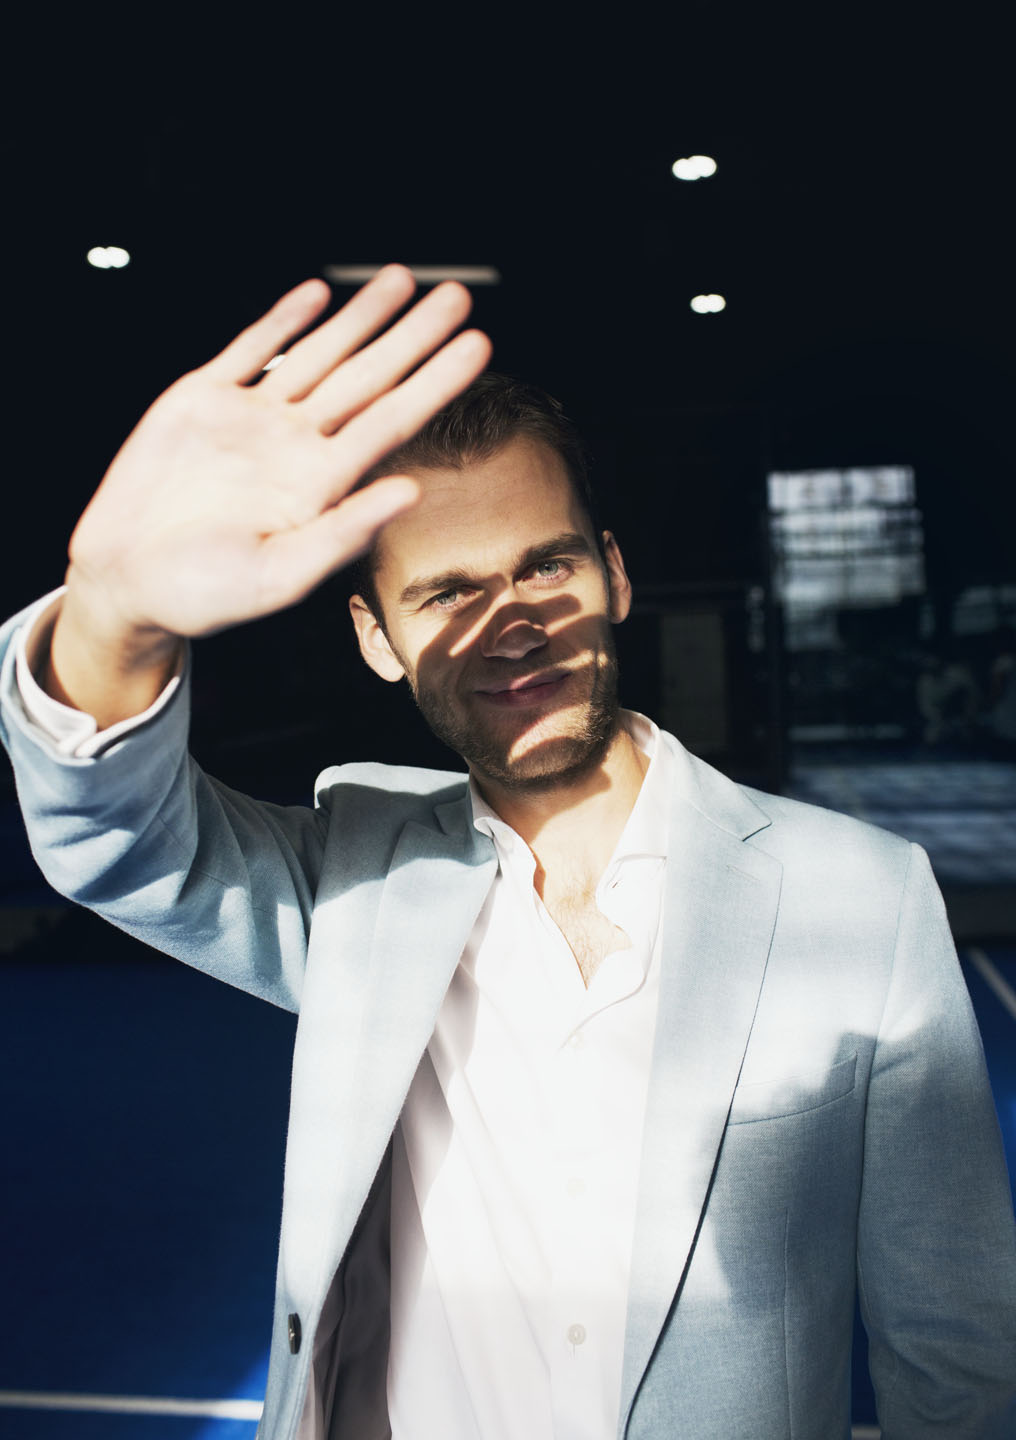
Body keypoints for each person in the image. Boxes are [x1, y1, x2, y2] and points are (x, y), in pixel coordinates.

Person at [1, 267, 1014, 1440]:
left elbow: (956, 1348)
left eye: (543, 565)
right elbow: (121, 849)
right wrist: (113, 620)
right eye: (446, 593)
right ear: (377, 640)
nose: (512, 625)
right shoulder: (358, 882)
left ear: (613, 574)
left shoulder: (861, 897)